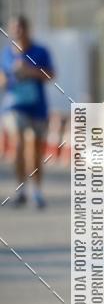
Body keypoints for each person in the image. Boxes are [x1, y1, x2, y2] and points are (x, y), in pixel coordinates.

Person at [0, 15, 55, 208]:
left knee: (35, 150)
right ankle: (21, 189)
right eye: (13, 28)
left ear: (27, 29)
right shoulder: (6, 54)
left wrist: (30, 71)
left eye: (20, 28)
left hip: (38, 107)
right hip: (14, 106)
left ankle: (37, 191)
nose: (17, 31)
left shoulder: (40, 51)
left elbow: (51, 74)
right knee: (20, 146)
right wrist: (8, 78)